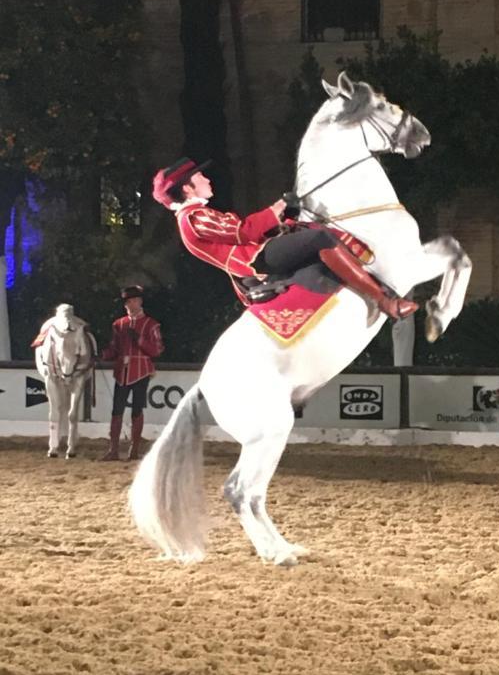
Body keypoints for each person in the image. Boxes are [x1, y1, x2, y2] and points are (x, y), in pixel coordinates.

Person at [152, 157, 418, 320]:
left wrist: (284, 218)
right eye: (200, 177)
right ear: (187, 188)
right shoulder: (194, 217)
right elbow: (242, 232)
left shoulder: (197, 214)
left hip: (258, 254)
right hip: (256, 262)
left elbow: (244, 232)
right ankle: (386, 303)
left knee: (307, 226)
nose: (206, 179)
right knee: (319, 239)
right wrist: (278, 207)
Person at [100, 285, 164, 461]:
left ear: (140, 302)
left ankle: (134, 449)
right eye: (128, 302)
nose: (130, 304)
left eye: (134, 301)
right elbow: (114, 348)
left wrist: (140, 340)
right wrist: (103, 354)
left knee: (137, 409)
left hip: (141, 371)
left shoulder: (151, 324)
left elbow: (157, 350)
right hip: (122, 372)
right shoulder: (119, 324)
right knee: (116, 410)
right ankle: (113, 449)